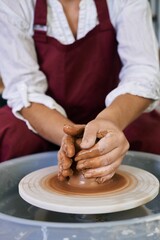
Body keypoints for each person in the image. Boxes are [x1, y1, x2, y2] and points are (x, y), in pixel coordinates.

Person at [0, 0, 160, 183]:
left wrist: (109, 121)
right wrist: (71, 139)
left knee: (152, 137)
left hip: (113, 112)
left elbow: (143, 72)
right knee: (11, 138)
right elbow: (23, 87)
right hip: (45, 115)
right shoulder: (14, 3)